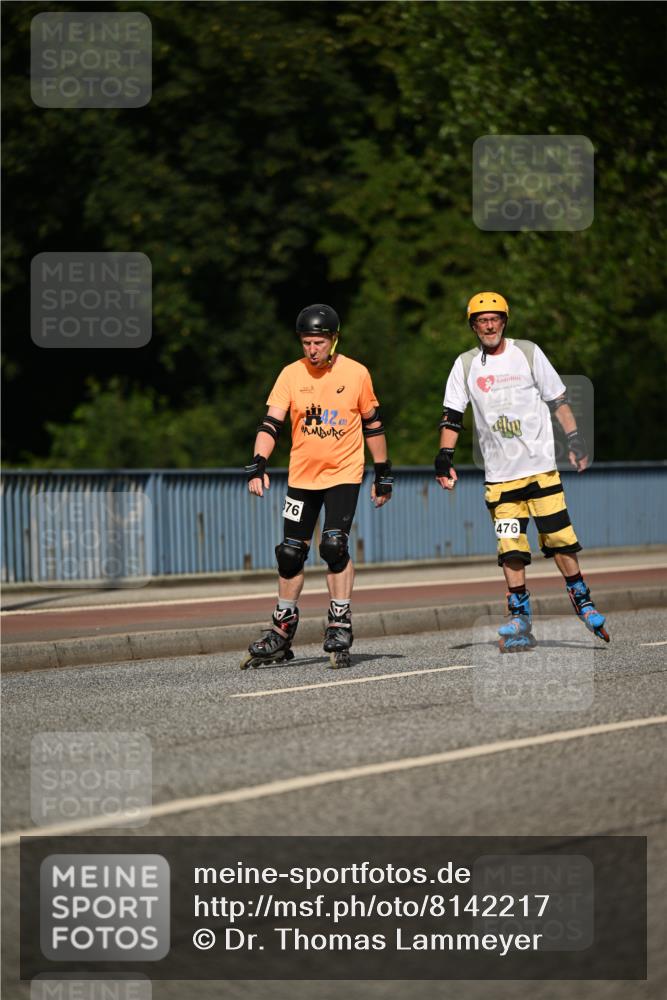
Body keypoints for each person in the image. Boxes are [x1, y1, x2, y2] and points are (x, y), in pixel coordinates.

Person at [436, 291, 609, 651]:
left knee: (560, 539)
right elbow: (452, 416)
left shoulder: (528, 353)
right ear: (473, 326)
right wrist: (444, 456)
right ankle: (519, 617)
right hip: (500, 480)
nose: (488, 325)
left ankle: (583, 601)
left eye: (494, 318)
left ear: (504, 321)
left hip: (541, 470)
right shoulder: (466, 365)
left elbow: (558, 400)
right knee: (510, 547)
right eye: (481, 320)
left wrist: (574, 439)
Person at [243, 304, 393, 669]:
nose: (312, 349)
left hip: (343, 474)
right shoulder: (290, 375)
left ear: (333, 339)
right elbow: (271, 423)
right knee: (290, 552)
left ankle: (339, 621)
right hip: (302, 477)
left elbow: (373, 425)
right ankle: (282, 629)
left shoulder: (356, 373)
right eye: (307, 343)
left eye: (319, 342)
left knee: (332, 545)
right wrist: (258, 464)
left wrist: (383, 472)